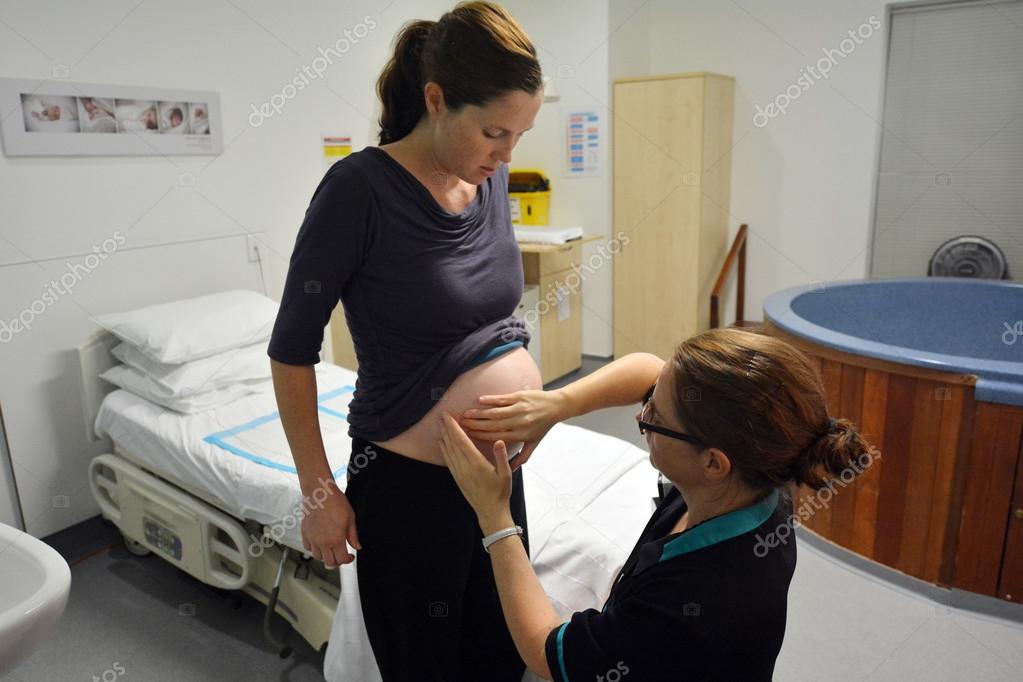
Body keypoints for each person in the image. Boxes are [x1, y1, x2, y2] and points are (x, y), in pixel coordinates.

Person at [267, 2, 544, 680]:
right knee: (424, 664)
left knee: (501, 651)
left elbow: (482, 312)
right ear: (435, 99)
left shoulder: (489, 177)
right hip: (409, 489)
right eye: (493, 132)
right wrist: (317, 491)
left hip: (500, 479)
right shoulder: (358, 190)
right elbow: (291, 349)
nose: (507, 154)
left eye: (517, 135)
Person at [439, 327, 875, 680]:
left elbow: (546, 653)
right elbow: (649, 370)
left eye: (656, 418)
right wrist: (558, 404)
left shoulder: (690, 606)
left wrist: (494, 516)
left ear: (713, 463)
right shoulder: (764, 478)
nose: (640, 416)